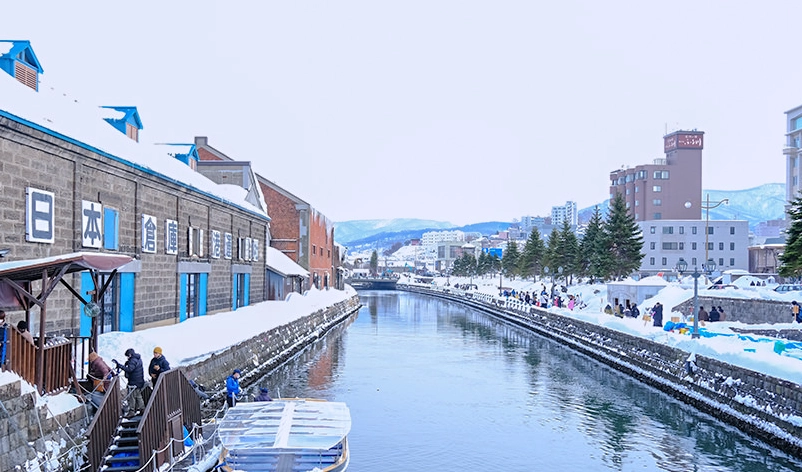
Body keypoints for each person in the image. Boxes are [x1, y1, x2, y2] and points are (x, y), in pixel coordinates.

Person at [113, 348, 145, 417]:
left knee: (132, 396)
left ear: (130, 355)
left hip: (134, 382)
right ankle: (142, 409)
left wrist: (120, 366)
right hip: (139, 381)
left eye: (127, 356)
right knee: (138, 396)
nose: (127, 358)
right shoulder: (138, 359)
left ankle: (132, 411)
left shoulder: (132, 361)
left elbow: (130, 369)